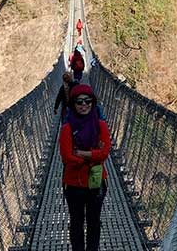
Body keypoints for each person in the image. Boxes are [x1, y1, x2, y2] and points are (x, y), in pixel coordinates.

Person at [60, 84, 110, 251]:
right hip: (74, 185)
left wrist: (80, 153)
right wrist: (92, 155)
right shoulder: (67, 128)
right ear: (73, 104)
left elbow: (104, 153)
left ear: (93, 102)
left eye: (87, 101)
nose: (84, 105)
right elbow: (67, 157)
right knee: (76, 222)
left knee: (94, 222)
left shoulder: (101, 125)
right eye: (79, 102)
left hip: (96, 183)